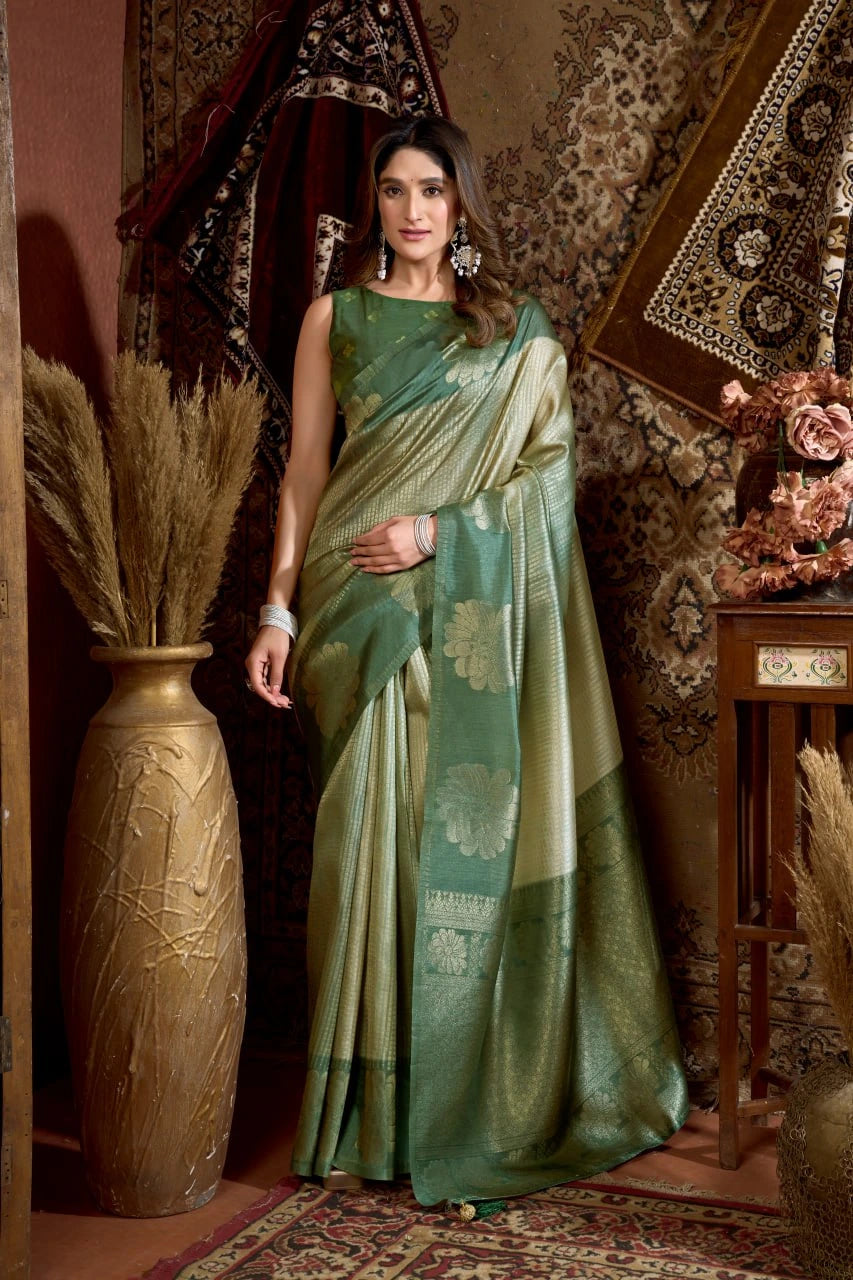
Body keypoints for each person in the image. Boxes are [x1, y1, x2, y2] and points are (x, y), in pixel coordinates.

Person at [245, 116, 688, 1208]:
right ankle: (368, 1108)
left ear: (460, 205)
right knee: (369, 845)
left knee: (450, 844)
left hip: (461, 608)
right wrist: (278, 612)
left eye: (432, 190)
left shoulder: (512, 334)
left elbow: (547, 478)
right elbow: (304, 473)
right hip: (354, 607)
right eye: (394, 190)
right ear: (373, 203)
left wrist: (437, 534)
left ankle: (455, 1102)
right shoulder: (334, 318)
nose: (412, 211)